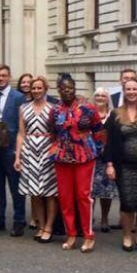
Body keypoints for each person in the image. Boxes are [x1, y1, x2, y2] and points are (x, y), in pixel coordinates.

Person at [48, 76, 104, 253]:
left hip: (84, 157)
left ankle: (88, 236)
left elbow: (100, 131)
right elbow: (52, 132)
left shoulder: (88, 108)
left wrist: (97, 150)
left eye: (70, 88)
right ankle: (71, 233)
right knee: (65, 197)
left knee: (83, 196)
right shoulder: (55, 110)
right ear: (58, 89)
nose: (67, 91)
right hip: (62, 157)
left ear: (74, 88)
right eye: (64, 88)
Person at [103, 79, 137, 253]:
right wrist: (109, 164)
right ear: (124, 91)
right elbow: (110, 142)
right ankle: (127, 235)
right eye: (128, 89)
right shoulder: (116, 114)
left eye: (135, 89)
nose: (132, 92)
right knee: (127, 203)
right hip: (124, 167)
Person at [14, 76, 57, 243]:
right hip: (30, 149)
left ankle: (49, 226)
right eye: (34, 88)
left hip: (48, 149)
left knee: (50, 192)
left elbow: (56, 133)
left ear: (45, 89)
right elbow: (21, 133)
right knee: (35, 191)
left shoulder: (53, 108)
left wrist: (54, 151)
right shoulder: (24, 108)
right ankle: (40, 225)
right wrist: (18, 156)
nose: (36, 91)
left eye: (39, 88)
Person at [0, 64, 27, 236]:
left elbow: (22, 126)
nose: (0, 78)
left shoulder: (18, 97)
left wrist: (18, 151)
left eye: (4, 75)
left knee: (15, 187)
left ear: (9, 77)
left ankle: (19, 220)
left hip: (11, 148)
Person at [91, 87, 118, 233]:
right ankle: (89, 217)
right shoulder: (88, 113)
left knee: (106, 191)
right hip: (91, 157)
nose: (100, 98)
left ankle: (105, 218)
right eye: (98, 95)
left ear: (108, 99)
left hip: (107, 158)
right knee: (91, 190)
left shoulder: (112, 116)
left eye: (103, 95)